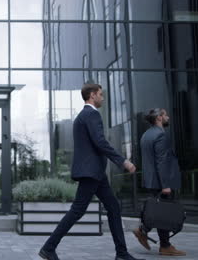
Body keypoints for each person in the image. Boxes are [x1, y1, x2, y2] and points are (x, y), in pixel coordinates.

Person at [38, 83, 143, 260]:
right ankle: (48, 248)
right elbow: (100, 142)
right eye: (100, 94)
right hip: (91, 171)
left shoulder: (83, 116)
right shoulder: (92, 114)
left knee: (113, 207)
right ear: (92, 95)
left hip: (95, 172)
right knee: (78, 210)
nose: (102, 97)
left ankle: (122, 253)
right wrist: (122, 160)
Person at [132, 108, 185, 256]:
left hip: (151, 180)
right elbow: (161, 161)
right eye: (165, 115)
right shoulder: (161, 135)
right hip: (162, 181)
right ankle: (146, 233)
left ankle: (164, 244)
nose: (168, 117)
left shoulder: (146, 135)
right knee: (164, 212)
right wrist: (166, 185)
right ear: (159, 118)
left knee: (161, 212)